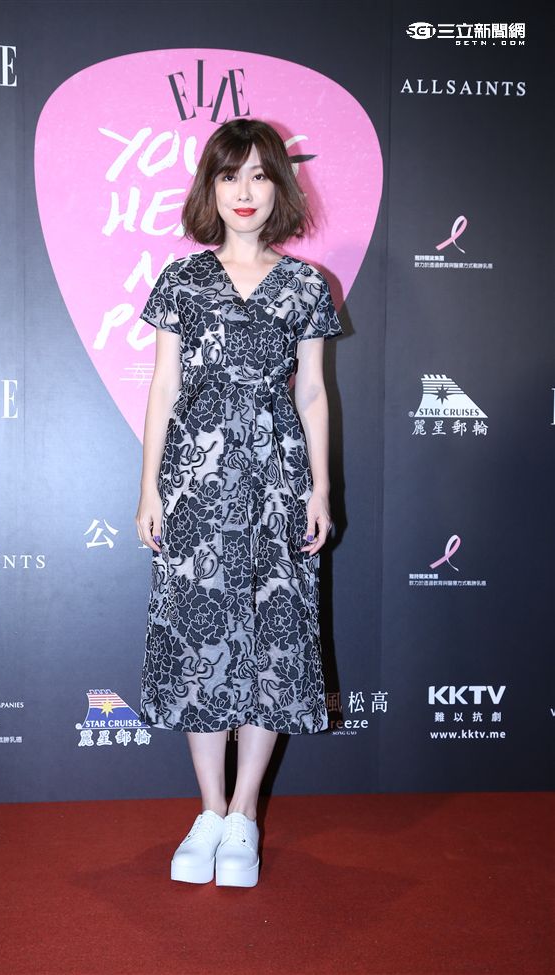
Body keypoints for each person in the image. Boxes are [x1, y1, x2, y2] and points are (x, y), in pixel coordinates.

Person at [135, 117, 342, 888]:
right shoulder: (182, 280)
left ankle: (245, 815)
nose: (245, 191)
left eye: (259, 174)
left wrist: (320, 487)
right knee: (202, 641)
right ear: (210, 188)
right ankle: (209, 810)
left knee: (271, 644)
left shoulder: (305, 285)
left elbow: (313, 392)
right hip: (197, 482)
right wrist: (149, 487)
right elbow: (164, 386)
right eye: (229, 175)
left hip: (278, 481)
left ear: (279, 185)